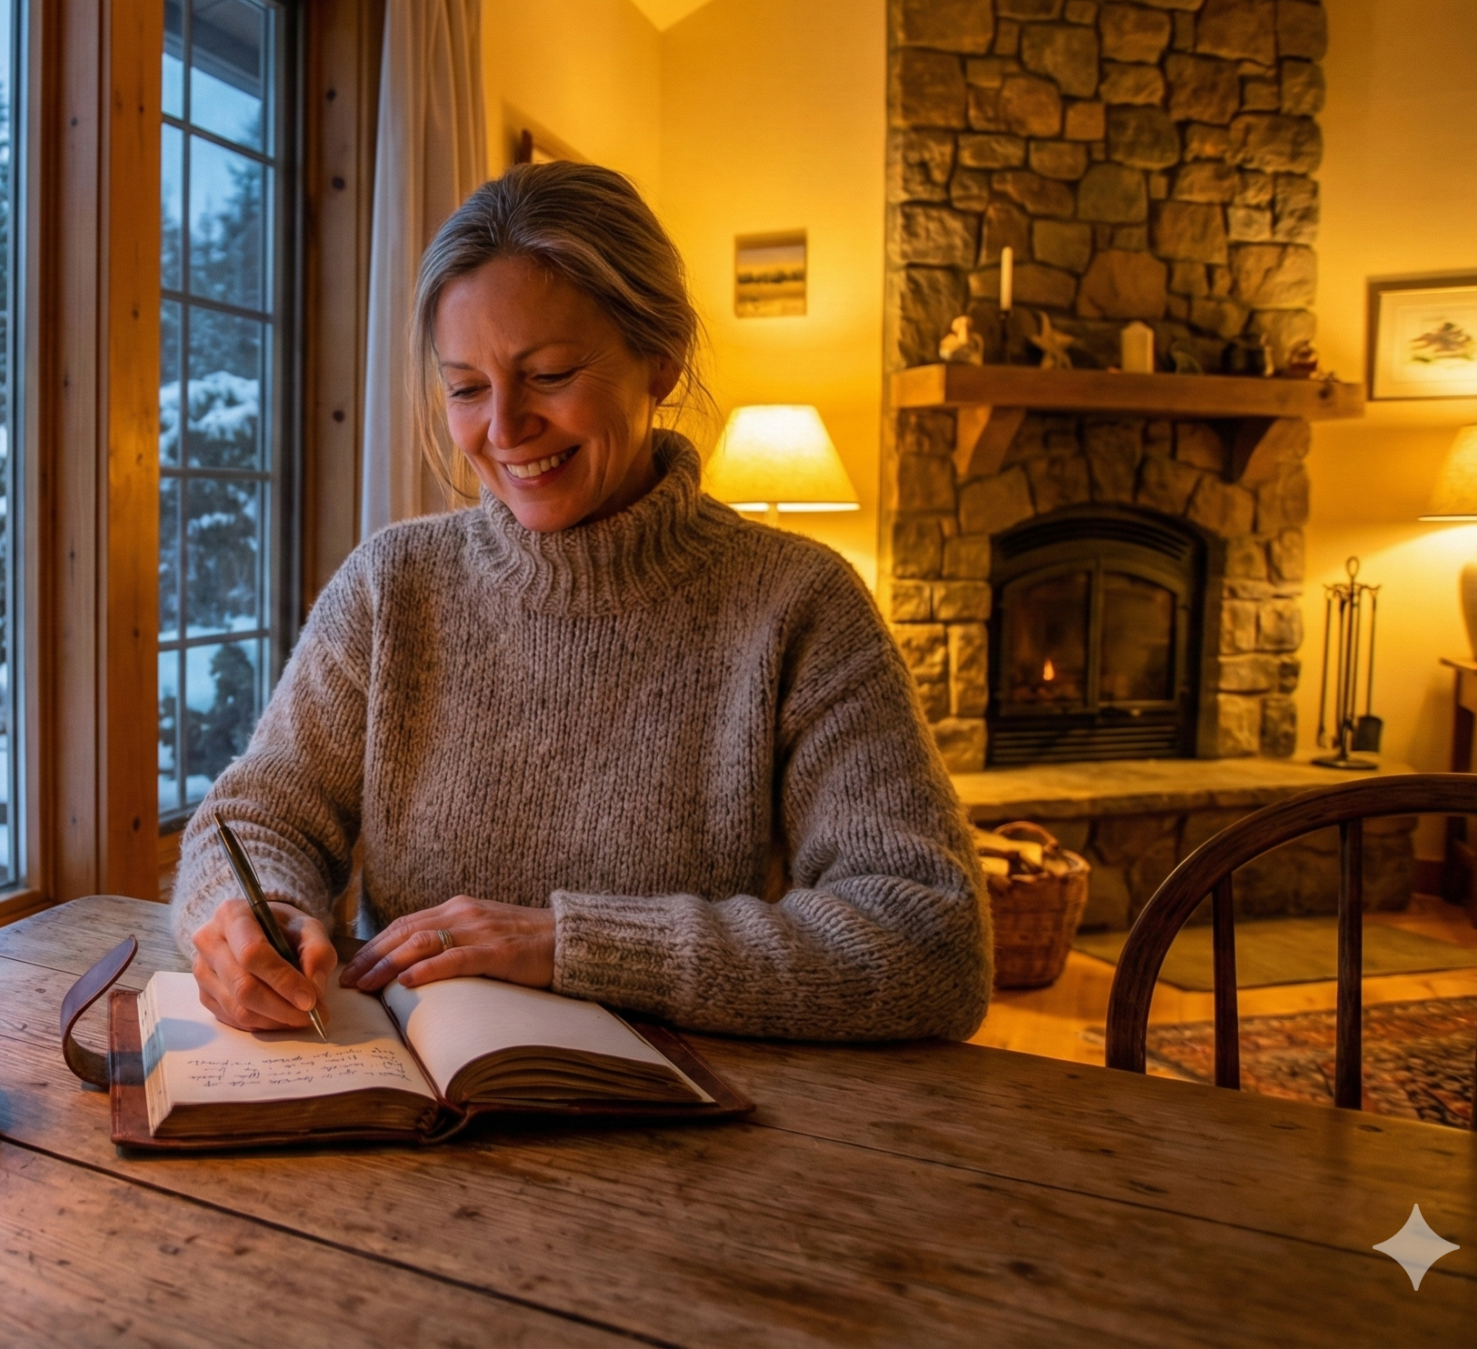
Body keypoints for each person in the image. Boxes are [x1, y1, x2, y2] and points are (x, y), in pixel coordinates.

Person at [173, 162, 991, 1042]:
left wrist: (569, 943)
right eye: (466, 388)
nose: (504, 427)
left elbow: (930, 941)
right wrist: (250, 916)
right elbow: (256, 817)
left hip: (694, 1147)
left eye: (551, 373)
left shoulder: (798, 606)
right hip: (410, 1133)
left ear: (661, 359)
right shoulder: (393, 586)